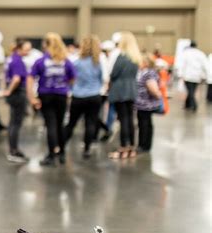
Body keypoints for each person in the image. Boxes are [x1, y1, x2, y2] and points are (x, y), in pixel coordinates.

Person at [27, 33, 76, 166]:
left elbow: (30, 78)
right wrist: (64, 84)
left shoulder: (41, 60)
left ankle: (51, 154)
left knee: (51, 125)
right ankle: (62, 153)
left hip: (46, 95)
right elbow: (73, 78)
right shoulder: (65, 60)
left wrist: (32, 97)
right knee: (59, 124)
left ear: (46, 45)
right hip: (61, 95)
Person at [64, 35, 104, 159]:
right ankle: (87, 149)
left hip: (78, 96)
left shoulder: (76, 62)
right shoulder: (98, 63)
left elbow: (70, 79)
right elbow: (101, 79)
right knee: (90, 123)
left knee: (71, 123)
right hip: (94, 96)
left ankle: (61, 145)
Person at [108, 32, 141, 160]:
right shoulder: (135, 58)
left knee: (123, 120)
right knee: (130, 120)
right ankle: (131, 147)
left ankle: (122, 148)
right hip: (132, 90)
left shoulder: (121, 57)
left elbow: (114, 74)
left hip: (120, 91)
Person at [4, 40, 29, 163]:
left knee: (13, 122)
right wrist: (9, 90)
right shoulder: (17, 60)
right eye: (26, 49)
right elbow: (16, 78)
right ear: (19, 49)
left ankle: (13, 149)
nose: (28, 51)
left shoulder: (12, 59)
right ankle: (13, 151)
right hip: (18, 94)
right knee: (15, 123)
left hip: (14, 94)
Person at [136, 53, 162, 153]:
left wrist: (158, 95)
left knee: (144, 125)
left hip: (146, 105)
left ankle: (143, 145)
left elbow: (153, 89)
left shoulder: (149, 73)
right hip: (143, 104)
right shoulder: (145, 72)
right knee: (146, 124)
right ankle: (145, 145)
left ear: (146, 63)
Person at [176, 41, 208, 112]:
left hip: (187, 76)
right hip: (197, 76)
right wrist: (204, 76)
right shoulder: (200, 53)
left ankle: (194, 105)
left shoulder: (185, 53)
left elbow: (181, 64)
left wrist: (180, 75)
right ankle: (187, 104)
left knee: (190, 91)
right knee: (191, 90)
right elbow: (205, 65)